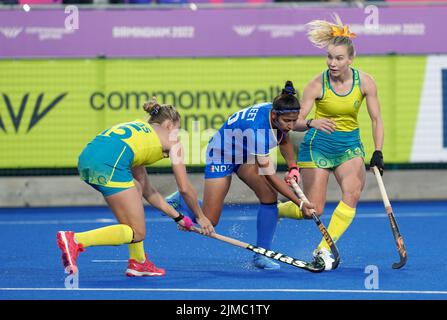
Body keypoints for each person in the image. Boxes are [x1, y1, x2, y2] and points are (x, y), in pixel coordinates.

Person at [56, 97, 214, 277]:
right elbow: (184, 188)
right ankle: (75, 240)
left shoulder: (139, 132)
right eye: (177, 130)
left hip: (87, 159)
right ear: (169, 125)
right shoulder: (173, 144)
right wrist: (201, 217)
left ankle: (138, 262)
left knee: (136, 189)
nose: (177, 136)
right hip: (108, 165)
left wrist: (178, 217)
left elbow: (147, 189)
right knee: (137, 232)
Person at [167, 81, 315, 270]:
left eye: (295, 120)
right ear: (274, 115)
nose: (292, 125)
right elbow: (269, 175)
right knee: (210, 220)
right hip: (221, 154)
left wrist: (293, 166)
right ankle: (181, 200)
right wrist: (300, 202)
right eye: (288, 121)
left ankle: (261, 254)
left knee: (269, 197)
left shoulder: (279, 112)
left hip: (243, 153)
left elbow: (283, 137)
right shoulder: (258, 130)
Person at [278, 14, 385, 270]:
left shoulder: (365, 82)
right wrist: (312, 122)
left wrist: (378, 151)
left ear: (350, 59)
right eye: (329, 57)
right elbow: (296, 122)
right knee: (311, 210)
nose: (332, 63)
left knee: (353, 193)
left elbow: (376, 118)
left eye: (338, 58)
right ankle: (275, 209)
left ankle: (323, 250)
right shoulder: (316, 84)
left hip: (349, 146)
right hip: (318, 146)